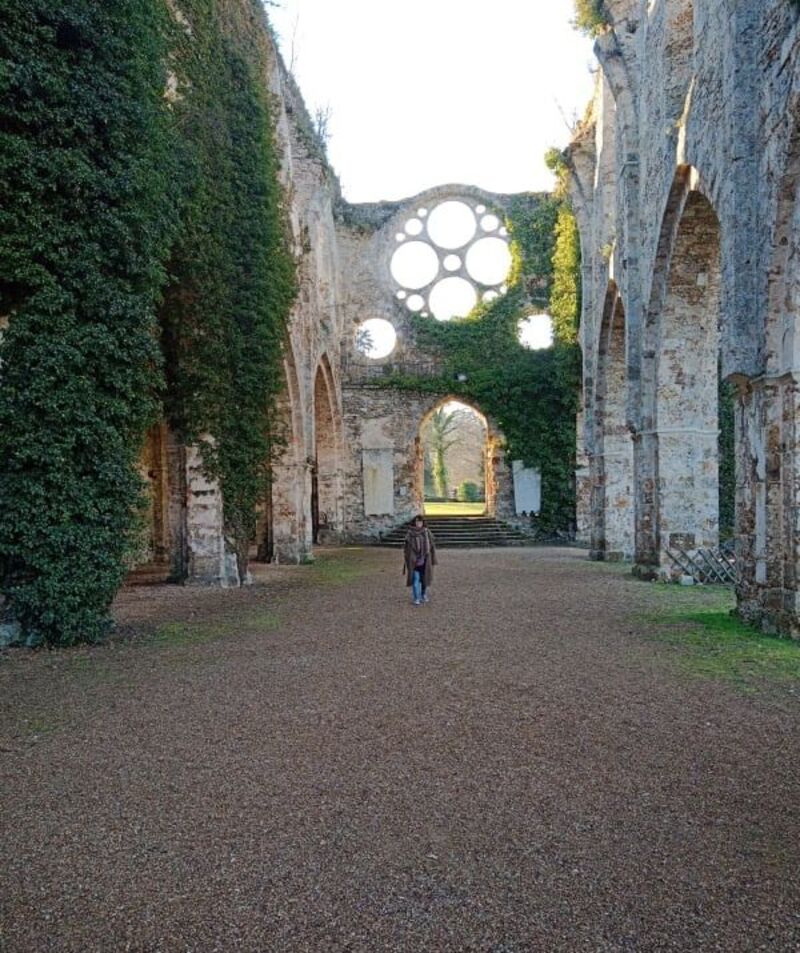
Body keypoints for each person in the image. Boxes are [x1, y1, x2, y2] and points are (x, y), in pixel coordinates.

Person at [403, 514, 437, 606]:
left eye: (420, 522)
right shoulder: (410, 534)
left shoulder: (427, 532)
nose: (419, 524)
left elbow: (432, 547)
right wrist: (408, 558)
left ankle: (423, 594)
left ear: (423, 523)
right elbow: (406, 549)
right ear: (414, 522)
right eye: (417, 522)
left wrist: (433, 559)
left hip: (425, 560)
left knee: (424, 580)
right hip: (414, 561)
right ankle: (416, 598)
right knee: (415, 580)